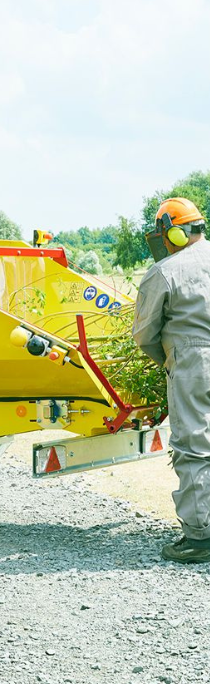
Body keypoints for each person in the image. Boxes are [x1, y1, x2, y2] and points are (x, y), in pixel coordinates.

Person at [133, 197, 210, 564]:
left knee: (194, 445)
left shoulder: (165, 271)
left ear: (175, 233)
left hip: (194, 361)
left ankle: (200, 538)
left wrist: (170, 360)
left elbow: (145, 334)